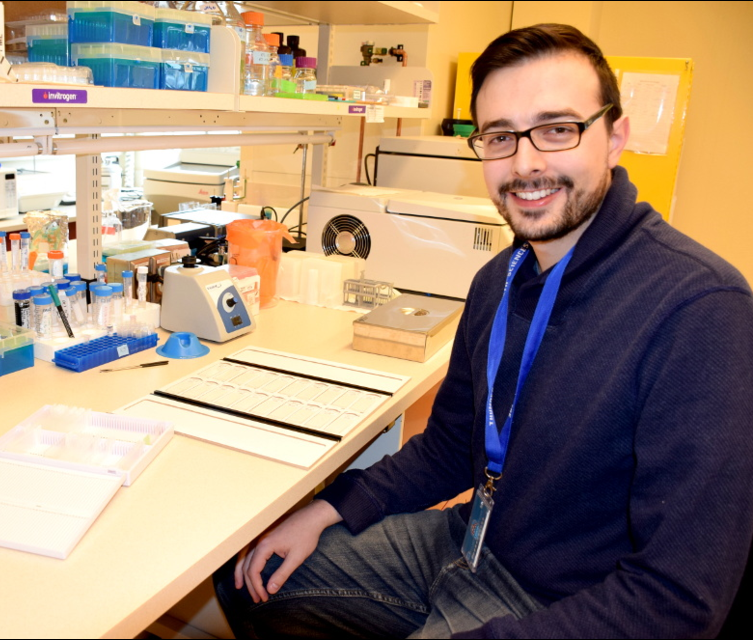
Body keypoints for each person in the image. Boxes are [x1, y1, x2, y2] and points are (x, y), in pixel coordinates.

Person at [214, 23, 753, 638]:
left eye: (557, 130)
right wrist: (331, 508)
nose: (526, 163)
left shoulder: (699, 310)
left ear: (614, 137)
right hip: (472, 541)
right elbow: (451, 448)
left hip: (566, 601)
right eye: (500, 136)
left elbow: (678, 598)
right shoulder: (502, 274)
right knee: (248, 579)